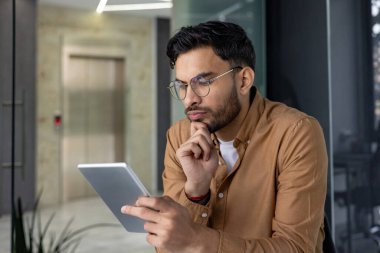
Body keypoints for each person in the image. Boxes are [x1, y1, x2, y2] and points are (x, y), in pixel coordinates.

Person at [122, 20, 328, 253]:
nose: (190, 99)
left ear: (243, 80)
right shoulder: (179, 136)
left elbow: (297, 248)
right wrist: (196, 192)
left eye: (203, 82)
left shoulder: (295, 132)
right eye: (182, 85)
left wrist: (196, 240)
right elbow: (170, 245)